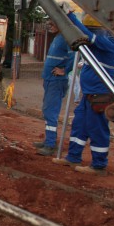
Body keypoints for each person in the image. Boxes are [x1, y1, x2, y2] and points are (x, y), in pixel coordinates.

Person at [53, 12, 114, 176]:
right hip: (88, 95)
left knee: (97, 129)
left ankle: (99, 165)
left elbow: (87, 35)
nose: (90, 33)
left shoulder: (108, 43)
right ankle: (73, 156)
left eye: (92, 29)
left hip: (100, 95)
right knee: (79, 126)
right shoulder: (96, 47)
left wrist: (71, 18)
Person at [34, 19, 75, 156]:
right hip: (50, 80)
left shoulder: (65, 38)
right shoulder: (58, 38)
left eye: (52, 23)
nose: (49, 26)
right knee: (47, 111)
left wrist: (64, 70)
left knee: (50, 112)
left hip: (56, 81)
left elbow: (74, 56)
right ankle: (48, 141)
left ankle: (50, 144)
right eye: (49, 23)